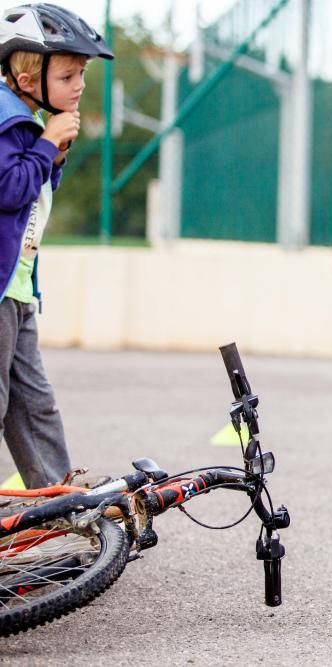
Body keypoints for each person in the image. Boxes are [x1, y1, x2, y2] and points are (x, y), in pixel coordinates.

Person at [0, 4, 114, 488]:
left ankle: (62, 501)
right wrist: (47, 144)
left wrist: (53, 154)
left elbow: (33, 199)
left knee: (33, 404)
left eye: (82, 73)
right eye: (68, 75)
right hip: (2, 290)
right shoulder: (8, 121)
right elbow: (8, 189)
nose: (80, 85)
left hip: (19, 288)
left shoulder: (27, 121)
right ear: (29, 81)